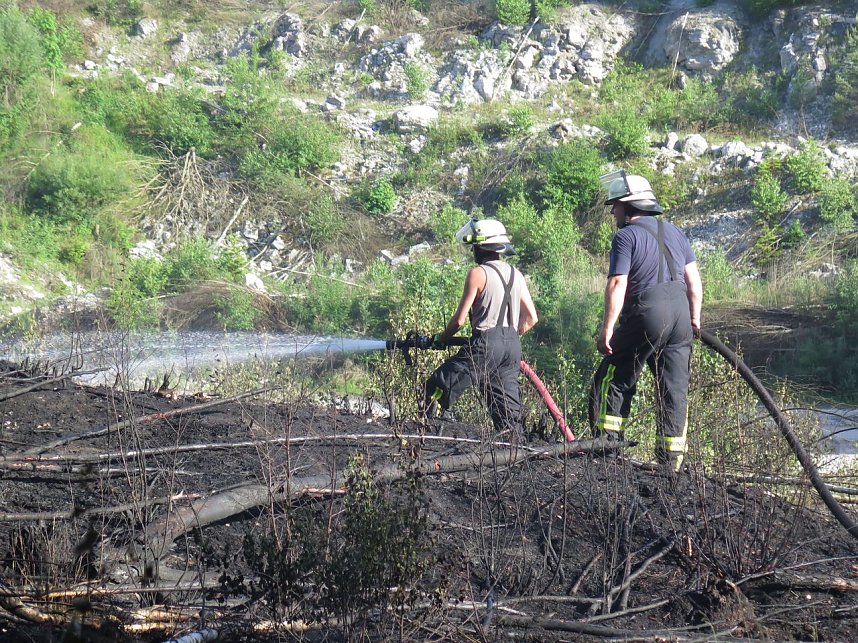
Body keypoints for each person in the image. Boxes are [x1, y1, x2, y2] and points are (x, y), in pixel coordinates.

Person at [590, 172, 703, 473]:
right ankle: (670, 466)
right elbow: (694, 283)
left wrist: (607, 330)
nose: (613, 211)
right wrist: (694, 319)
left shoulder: (625, 236)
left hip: (648, 312)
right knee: (673, 392)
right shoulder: (676, 233)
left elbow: (617, 284)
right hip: (681, 315)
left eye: (615, 205)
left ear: (629, 207)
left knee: (613, 376)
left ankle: (606, 451)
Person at [423, 218, 538, 436]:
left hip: (486, 345)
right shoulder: (516, 274)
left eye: (474, 246)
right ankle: (515, 449)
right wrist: (507, 337)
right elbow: (531, 318)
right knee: (507, 415)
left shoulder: (478, 273)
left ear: (481, 246)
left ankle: (425, 436)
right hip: (512, 347)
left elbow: (458, 321)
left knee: (436, 387)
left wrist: (440, 339)